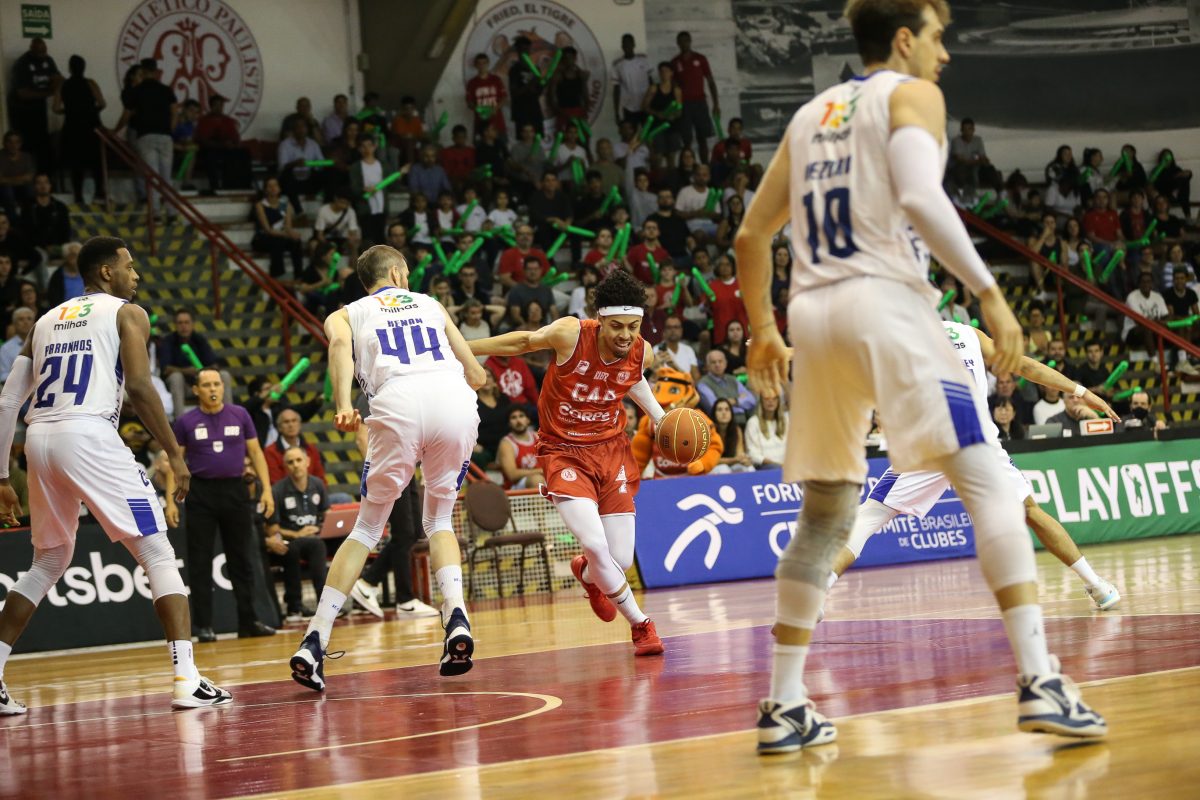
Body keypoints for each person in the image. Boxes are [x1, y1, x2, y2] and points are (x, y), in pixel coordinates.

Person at [736, 0, 1105, 753]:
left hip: (814, 319)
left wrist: (764, 331)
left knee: (825, 517)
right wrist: (990, 293)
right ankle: (1040, 680)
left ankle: (784, 704)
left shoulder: (808, 116)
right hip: (888, 307)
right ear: (904, 39)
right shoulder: (912, 95)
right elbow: (917, 193)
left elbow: (750, 235)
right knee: (990, 483)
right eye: (939, 38)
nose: (946, 54)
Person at [0, 236, 231, 714]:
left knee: (48, 561)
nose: (136, 275)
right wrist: (174, 454)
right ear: (107, 272)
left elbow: (7, 402)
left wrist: (2, 476)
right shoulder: (128, 313)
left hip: (39, 440)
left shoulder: (42, 322)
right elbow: (141, 387)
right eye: (130, 266)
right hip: (89, 435)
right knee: (157, 550)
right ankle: (186, 679)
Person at [290, 245, 488, 690]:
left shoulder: (346, 313)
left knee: (365, 529)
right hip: (453, 402)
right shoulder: (432, 304)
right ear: (398, 273)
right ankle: (456, 615)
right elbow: (475, 374)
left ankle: (315, 639)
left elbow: (338, 347)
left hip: (397, 403)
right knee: (438, 521)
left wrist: (344, 403)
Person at [828, 321, 1121, 611]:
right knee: (1030, 511)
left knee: (871, 515)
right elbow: (1024, 366)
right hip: (977, 440)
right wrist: (1081, 391)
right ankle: (1096, 585)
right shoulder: (967, 333)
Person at [469, 269, 668, 657]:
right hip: (563, 450)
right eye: (616, 326)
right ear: (599, 319)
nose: (625, 335)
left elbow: (632, 377)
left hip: (611, 451)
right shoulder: (571, 334)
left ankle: (588, 575)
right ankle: (641, 624)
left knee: (619, 558)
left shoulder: (643, 351)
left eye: (632, 327)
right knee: (594, 543)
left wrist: (659, 416)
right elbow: (524, 341)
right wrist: (461, 345)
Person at [168, 368, 277, 642]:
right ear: (196, 390)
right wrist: (171, 501)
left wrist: (267, 491)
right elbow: (175, 461)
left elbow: (256, 453)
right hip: (201, 492)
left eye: (216, 384)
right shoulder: (186, 421)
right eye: (206, 385)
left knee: (241, 558)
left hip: (235, 491)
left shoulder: (240, 415)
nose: (213, 389)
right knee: (200, 561)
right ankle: (204, 626)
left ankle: (249, 621)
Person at [267, 446, 330, 621]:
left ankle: (334, 603)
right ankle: (297, 607)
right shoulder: (277, 490)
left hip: (317, 536)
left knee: (329, 543)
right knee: (300, 548)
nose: (295, 465)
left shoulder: (318, 484)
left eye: (299, 460)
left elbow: (327, 514)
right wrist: (297, 534)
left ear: (308, 462)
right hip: (292, 540)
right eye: (290, 462)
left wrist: (320, 527)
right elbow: (272, 529)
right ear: (285, 467)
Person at [119, 59, 178, 215]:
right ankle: (171, 212)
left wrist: (115, 130)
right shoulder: (166, 90)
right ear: (156, 71)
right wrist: (169, 131)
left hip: (146, 136)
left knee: (152, 177)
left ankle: (156, 213)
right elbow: (174, 112)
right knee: (166, 177)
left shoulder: (137, 91)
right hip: (165, 137)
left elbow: (127, 114)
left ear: (143, 71)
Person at [53, 55, 106, 203]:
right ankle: (99, 192)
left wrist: (69, 111)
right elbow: (102, 103)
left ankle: (78, 195)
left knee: (76, 163)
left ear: (70, 68)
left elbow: (55, 108)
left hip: (72, 126)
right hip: (91, 125)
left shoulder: (63, 85)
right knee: (96, 161)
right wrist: (90, 110)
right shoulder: (90, 83)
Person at [158, 308, 232, 413]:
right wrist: (186, 371)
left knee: (224, 375)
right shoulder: (168, 341)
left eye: (186, 322)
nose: (183, 326)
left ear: (193, 324)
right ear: (175, 325)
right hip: (182, 386)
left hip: (202, 383)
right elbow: (165, 369)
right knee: (176, 377)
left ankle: (228, 416)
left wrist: (202, 371)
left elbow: (214, 364)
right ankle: (180, 420)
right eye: (180, 323)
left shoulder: (199, 339)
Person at [7, 38, 60, 174]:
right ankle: (27, 178)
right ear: (31, 49)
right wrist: (49, 92)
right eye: (39, 52)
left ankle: (45, 178)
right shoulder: (22, 64)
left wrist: (55, 85)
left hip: (39, 110)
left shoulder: (48, 60)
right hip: (22, 112)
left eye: (44, 51)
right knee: (27, 147)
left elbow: (57, 78)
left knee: (43, 146)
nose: (43, 54)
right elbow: (23, 93)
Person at [252, 176, 304, 278]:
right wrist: (286, 234)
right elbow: (268, 230)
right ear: (265, 190)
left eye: (275, 185)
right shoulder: (260, 205)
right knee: (276, 241)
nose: (273, 188)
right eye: (270, 186)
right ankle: (277, 275)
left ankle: (299, 275)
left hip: (280, 236)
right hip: (263, 238)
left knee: (296, 242)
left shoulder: (285, 204)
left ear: (279, 188)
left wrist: (292, 234)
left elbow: (288, 226)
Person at [264, 407, 326, 485]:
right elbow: (275, 483)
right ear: (279, 427)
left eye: (294, 421)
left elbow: (321, 479)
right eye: (286, 422)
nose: (291, 425)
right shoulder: (270, 452)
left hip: (312, 491)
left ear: (300, 425)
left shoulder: (311, 449)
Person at [276, 118, 325, 212]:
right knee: (286, 177)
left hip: (309, 177)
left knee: (328, 175)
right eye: (298, 127)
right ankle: (299, 212)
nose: (301, 129)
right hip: (293, 178)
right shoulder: (285, 144)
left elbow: (321, 162)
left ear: (307, 129)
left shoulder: (313, 144)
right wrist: (295, 163)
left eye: (303, 127)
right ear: (293, 130)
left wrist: (311, 164)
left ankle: (327, 209)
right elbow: (282, 167)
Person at [497, 406, 543, 489]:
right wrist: (540, 471)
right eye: (513, 417)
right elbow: (512, 475)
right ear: (509, 423)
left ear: (528, 420)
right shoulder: (506, 443)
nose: (518, 421)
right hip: (515, 488)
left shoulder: (538, 437)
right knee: (537, 480)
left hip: (541, 479)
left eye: (521, 416)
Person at [612, 34, 653, 127]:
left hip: (646, 105)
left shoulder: (644, 60)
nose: (627, 46)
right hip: (629, 107)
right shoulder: (617, 64)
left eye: (629, 43)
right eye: (624, 44)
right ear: (622, 46)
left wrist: (653, 101)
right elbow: (616, 89)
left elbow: (651, 82)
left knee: (647, 132)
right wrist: (616, 112)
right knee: (630, 134)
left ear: (634, 44)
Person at [508, 37, 545, 136]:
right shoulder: (514, 70)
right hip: (520, 110)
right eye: (521, 49)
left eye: (526, 49)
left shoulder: (536, 68)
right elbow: (515, 92)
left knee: (537, 137)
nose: (524, 52)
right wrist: (531, 83)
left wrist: (541, 84)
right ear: (517, 51)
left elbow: (539, 91)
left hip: (534, 108)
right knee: (523, 140)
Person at [466, 54, 507, 141]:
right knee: (481, 147)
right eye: (479, 63)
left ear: (488, 63)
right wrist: (479, 109)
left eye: (484, 63)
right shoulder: (472, 83)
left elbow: (504, 97)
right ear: (476, 65)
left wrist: (496, 108)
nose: (482, 65)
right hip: (481, 123)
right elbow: (469, 102)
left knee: (501, 146)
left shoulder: (496, 80)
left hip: (497, 122)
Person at [745, 392, 786, 469]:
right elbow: (753, 454)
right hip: (764, 466)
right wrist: (778, 465)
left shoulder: (786, 420)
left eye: (774, 398)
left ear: (778, 401)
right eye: (767, 399)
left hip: (786, 465)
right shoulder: (753, 422)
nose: (771, 401)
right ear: (761, 402)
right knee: (775, 468)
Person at [0, 308, 35, 382]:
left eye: (29, 319)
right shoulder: (6, 348)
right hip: (16, 386)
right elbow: (3, 375)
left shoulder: (42, 343)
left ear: (34, 323)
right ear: (14, 324)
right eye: (21, 319)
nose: (26, 322)